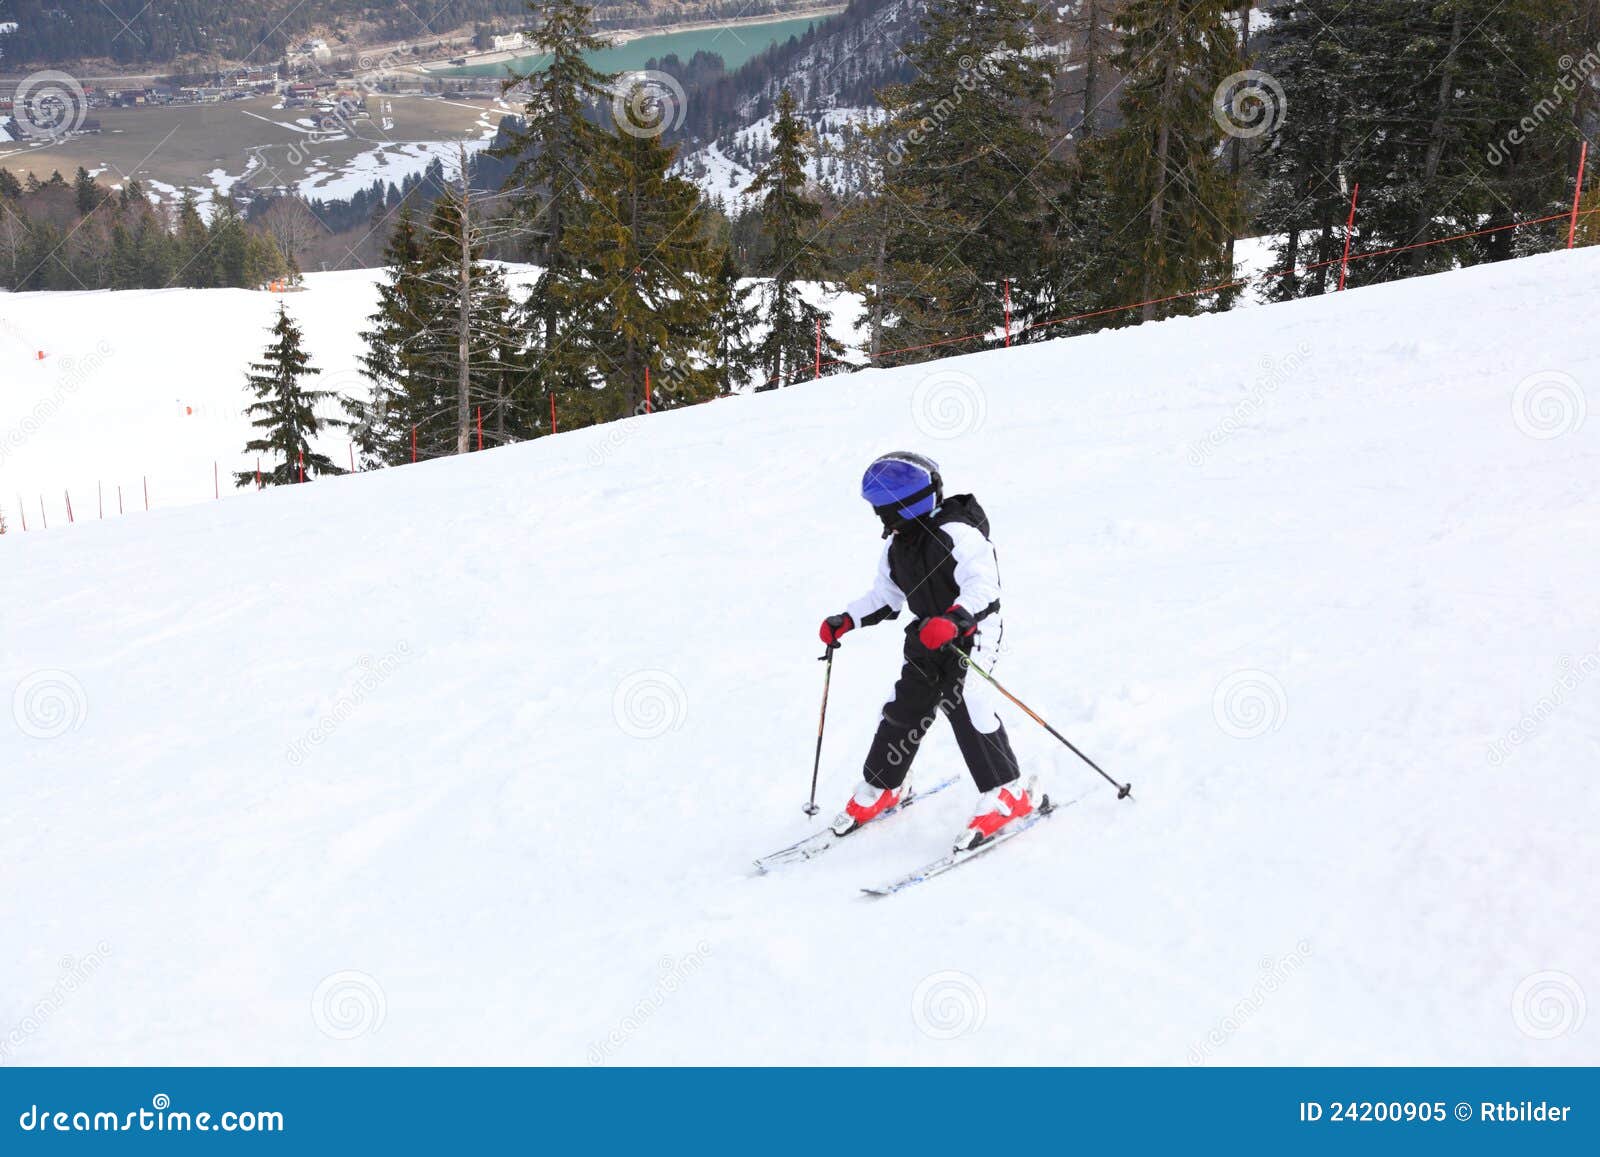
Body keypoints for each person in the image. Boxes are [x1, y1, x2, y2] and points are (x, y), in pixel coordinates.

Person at [818, 451, 1036, 852]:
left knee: (967, 702)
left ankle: (1008, 793)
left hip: (972, 632)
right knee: (905, 707)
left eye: (884, 510)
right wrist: (847, 619)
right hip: (926, 636)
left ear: (906, 505)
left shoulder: (959, 534)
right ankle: (885, 786)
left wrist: (955, 620)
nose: (882, 520)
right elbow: (887, 597)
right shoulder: (897, 546)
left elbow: (985, 588)